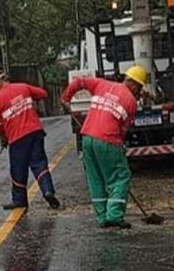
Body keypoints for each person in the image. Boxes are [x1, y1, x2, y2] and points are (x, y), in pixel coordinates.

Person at [61, 65, 147, 229]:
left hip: (87, 138)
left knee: (96, 178)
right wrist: (119, 147)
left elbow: (79, 82)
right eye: (140, 87)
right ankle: (114, 215)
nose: (139, 91)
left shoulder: (102, 84)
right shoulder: (130, 102)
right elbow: (122, 131)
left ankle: (102, 217)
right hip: (108, 140)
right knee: (120, 176)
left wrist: (66, 98)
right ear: (135, 84)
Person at [0, 68, 61, 211]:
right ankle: (48, 191)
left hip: (17, 138)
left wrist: (3, 139)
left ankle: (20, 200)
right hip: (36, 132)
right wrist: (29, 98)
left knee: (18, 169)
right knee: (39, 164)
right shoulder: (22, 87)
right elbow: (43, 93)